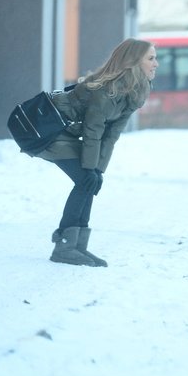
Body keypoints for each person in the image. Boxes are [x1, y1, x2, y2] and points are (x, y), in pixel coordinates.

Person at [37, 38, 158, 267]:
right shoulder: (106, 91)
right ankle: (64, 246)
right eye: (151, 58)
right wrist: (91, 169)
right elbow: (93, 132)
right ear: (133, 61)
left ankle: (78, 246)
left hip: (71, 134)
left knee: (90, 181)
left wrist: (99, 170)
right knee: (85, 180)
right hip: (51, 131)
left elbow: (111, 135)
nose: (156, 63)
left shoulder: (135, 90)